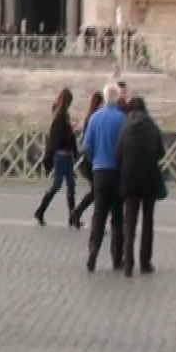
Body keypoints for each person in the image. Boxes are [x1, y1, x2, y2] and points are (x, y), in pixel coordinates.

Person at [115, 95, 164, 277]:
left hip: (129, 179)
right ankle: (145, 262)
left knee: (130, 222)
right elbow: (161, 152)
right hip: (149, 178)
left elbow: (118, 154)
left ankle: (128, 264)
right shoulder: (153, 127)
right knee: (148, 222)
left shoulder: (125, 128)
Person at [82, 82, 128, 273]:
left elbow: (87, 148)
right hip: (117, 172)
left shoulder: (94, 118)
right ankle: (117, 258)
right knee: (117, 217)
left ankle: (93, 252)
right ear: (117, 99)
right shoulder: (122, 119)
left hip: (99, 171)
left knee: (99, 215)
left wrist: (96, 161)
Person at [34, 88, 78, 227]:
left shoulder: (61, 116)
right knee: (58, 185)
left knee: (70, 185)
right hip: (62, 155)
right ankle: (41, 210)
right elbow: (59, 138)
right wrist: (70, 131)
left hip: (63, 156)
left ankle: (72, 216)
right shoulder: (61, 118)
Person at [72, 91, 104, 228]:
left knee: (97, 191)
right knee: (97, 191)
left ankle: (77, 214)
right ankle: (78, 214)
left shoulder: (90, 117)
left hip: (88, 160)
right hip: (90, 161)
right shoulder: (94, 119)